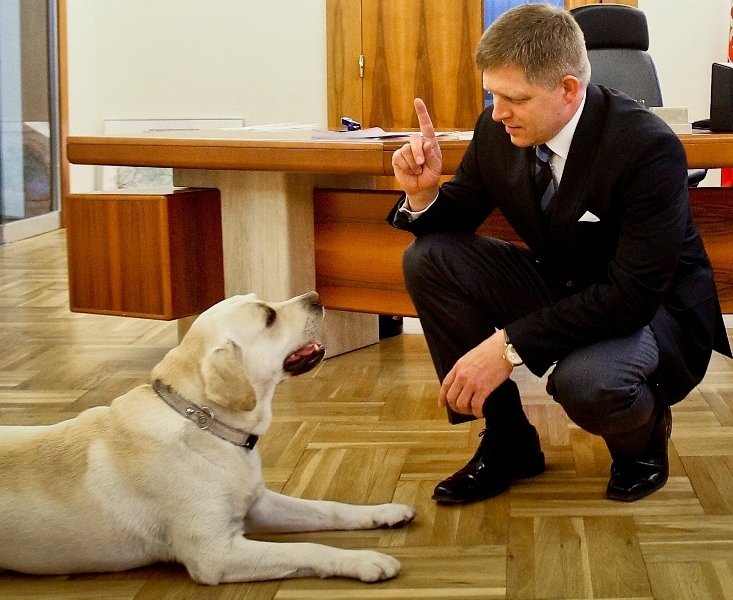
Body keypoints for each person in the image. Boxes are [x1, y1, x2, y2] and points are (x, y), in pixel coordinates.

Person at [388, 3, 731, 504]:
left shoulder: (644, 147)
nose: (498, 111)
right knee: (430, 259)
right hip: (565, 284)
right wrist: (422, 195)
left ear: (569, 90)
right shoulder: (497, 130)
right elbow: (454, 222)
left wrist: (506, 346)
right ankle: (510, 442)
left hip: (651, 312)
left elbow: (632, 296)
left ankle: (643, 442)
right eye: (493, 94)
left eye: (514, 98)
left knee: (588, 382)